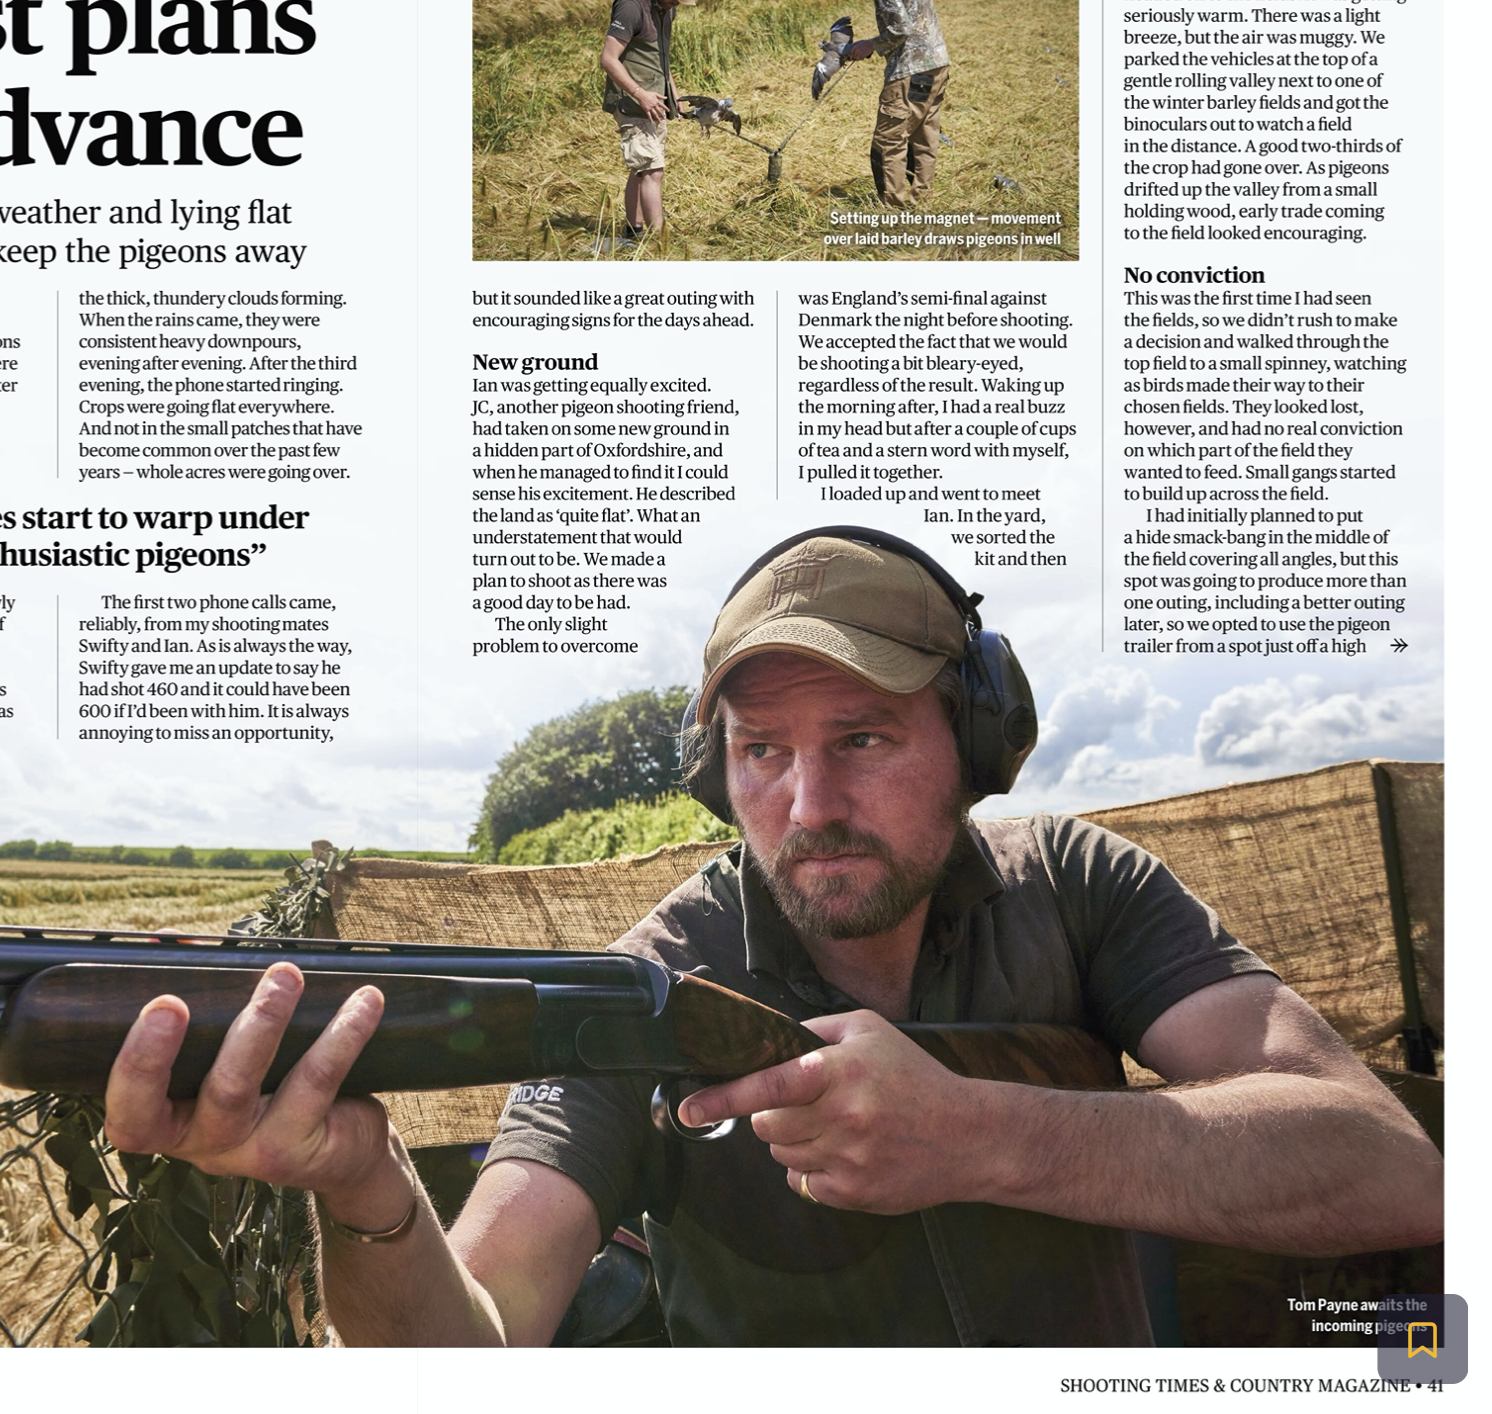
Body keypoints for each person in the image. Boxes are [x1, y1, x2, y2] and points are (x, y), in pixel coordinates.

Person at [102, 530, 1442, 1345]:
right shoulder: (646, 983)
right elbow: (479, 1339)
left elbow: (1389, 1167)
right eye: (762, 752)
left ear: (973, 746)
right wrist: (364, 1194)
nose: (808, 808)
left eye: (862, 739)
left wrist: (978, 1134)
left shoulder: (1082, 890)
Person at [834, 0, 950, 207]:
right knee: (924, 137)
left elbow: (900, 29)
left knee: (888, 141)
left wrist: (869, 45)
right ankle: (921, 200)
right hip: (937, 66)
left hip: (909, 72)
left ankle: (893, 209)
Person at [596, 0, 696, 245]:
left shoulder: (667, 6)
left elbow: (660, 56)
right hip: (632, 100)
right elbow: (608, 59)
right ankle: (659, 243)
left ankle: (633, 230)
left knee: (641, 167)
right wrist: (639, 93)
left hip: (656, 100)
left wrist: (672, 90)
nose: (676, 2)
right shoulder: (631, 5)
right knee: (653, 170)